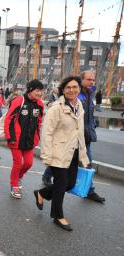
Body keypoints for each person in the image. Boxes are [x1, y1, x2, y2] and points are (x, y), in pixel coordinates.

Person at [35, 76, 90, 231]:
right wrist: (46, 155)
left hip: (73, 152)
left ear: (79, 88)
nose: (71, 90)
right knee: (60, 185)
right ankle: (57, 215)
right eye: (68, 87)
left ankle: (42, 193)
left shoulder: (80, 106)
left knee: (70, 184)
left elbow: (79, 133)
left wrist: (83, 155)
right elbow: (47, 132)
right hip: (58, 151)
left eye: (75, 87)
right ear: (63, 90)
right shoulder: (56, 108)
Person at [4, 79, 44, 199]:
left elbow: (39, 121)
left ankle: (18, 177)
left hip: (30, 140)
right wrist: (9, 136)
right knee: (18, 163)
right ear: (31, 90)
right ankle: (14, 185)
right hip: (15, 139)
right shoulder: (19, 100)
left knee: (28, 163)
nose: (40, 93)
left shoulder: (40, 104)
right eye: (37, 90)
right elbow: (8, 119)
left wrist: (37, 137)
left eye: (41, 91)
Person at [78, 71, 105, 203]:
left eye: (93, 80)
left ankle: (90, 191)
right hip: (74, 136)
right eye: (89, 80)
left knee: (87, 163)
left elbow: (89, 114)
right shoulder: (76, 94)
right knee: (63, 162)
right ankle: (48, 175)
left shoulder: (90, 94)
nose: (92, 82)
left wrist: (94, 123)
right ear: (81, 80)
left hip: (86, 136)